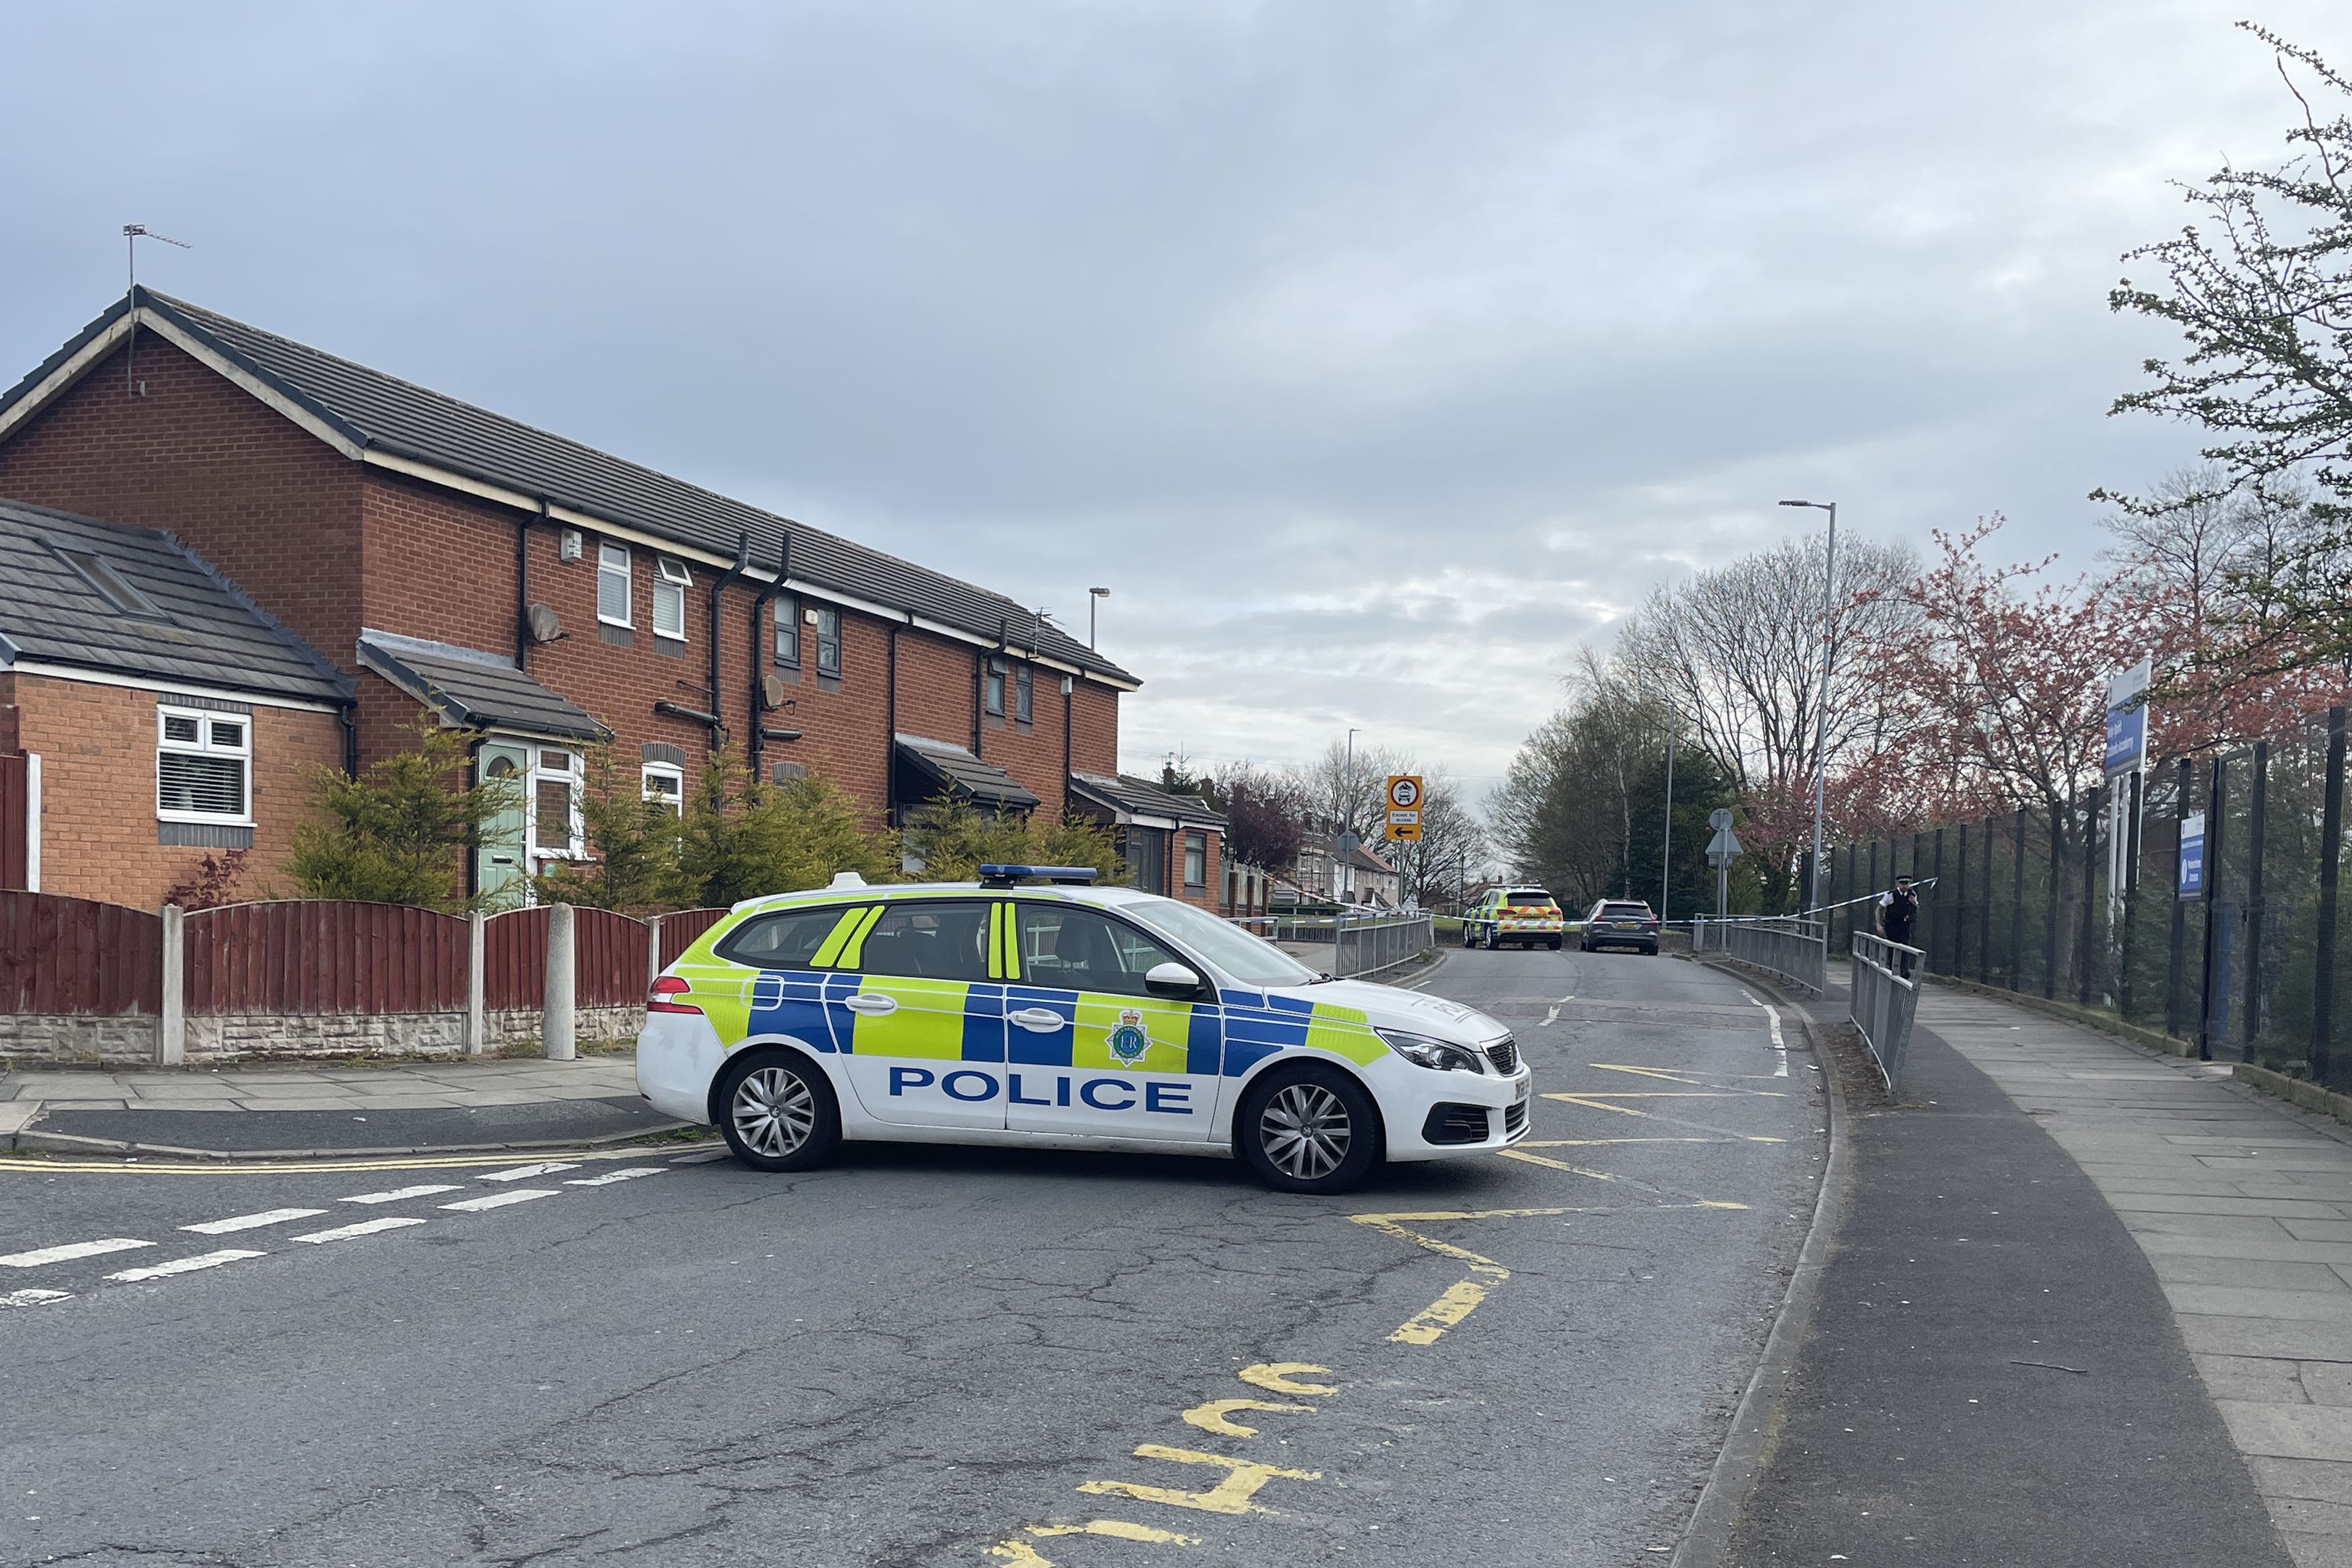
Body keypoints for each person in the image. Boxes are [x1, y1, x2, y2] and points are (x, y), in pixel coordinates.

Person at [1877, 875, 1920, 965]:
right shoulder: (1891, 895)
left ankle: (1904, 971)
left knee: (1905, 948)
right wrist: (1879, 923)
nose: (1904, 886)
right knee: (1892, 948)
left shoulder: (1913, 895)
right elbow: (1879, 909)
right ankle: (1892, 968)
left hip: (1904, 926)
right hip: (1892, 926)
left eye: (1907, 884)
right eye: (1902, 884)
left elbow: (1916, 911)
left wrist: (1915, 904)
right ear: (1898, 884)